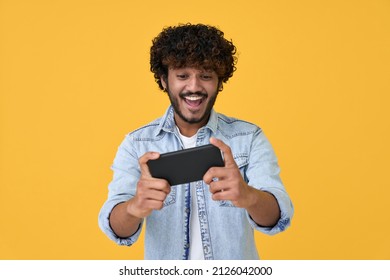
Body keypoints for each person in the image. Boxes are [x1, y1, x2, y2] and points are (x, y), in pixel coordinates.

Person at [98, 23, 294, 260]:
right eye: (182, 76)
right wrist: (135, 206)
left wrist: (248, 195)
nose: (194, 87)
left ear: (219, 82)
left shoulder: (248, 138)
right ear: (163, 80)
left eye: (205, 76)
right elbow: (116, 228)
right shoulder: (137, 143)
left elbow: (278, 217)